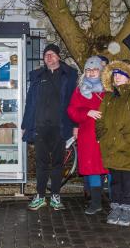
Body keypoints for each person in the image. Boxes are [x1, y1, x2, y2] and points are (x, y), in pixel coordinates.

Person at [22, 43, 78, 211]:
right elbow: (30, 102)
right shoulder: (38, 77)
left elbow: (75, 103)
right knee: (41, 163)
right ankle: (40, 196)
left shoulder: (69, 76)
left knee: (58, 163)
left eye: (52, 54)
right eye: (46, 55)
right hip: (40, 126)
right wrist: (26, 124)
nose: (49, 57)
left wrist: (75, 125)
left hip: (60, 127)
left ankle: (55, 195)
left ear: (58, 57)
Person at [96, 60, 130, 226]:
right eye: (115, 74)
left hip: (128, 146)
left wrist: (129, 137)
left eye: (120, 75)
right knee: (115, 180)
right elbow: (100, 118)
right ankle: (116, 208)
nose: (116, 77)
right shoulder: (109, 96)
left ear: (128, 78)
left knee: (128, 180)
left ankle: (127, 210)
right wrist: (101, 134)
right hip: (110, 146)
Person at [67, 56, 109, 215]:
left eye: (95, 69)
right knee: (93, 168)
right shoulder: (80, 90)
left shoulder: (109, 88)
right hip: (88, 136)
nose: (91, 73)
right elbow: (72, 110)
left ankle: (116, 201)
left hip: (106, 134)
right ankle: (96, 202)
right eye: (88, 70)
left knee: (111, 167)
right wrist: (87, 112)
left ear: (101, 70)